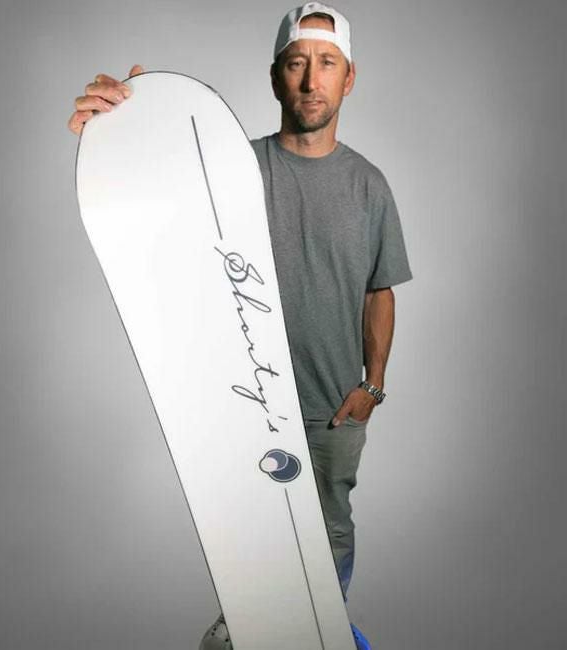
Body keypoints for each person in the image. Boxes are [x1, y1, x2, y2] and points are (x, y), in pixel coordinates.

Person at [68, 3, 412, 648]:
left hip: (333, 410)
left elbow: (380, 289)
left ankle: (321, 637)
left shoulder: (370, 186)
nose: (311, 79)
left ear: (349, 78)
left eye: (327, 63)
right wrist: (126, 131)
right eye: (297, 63)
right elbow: (155, 210)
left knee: (329, 545)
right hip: (241, 410)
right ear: (276, 76)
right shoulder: (227, 168)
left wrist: (373, 385)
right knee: (253, 562)